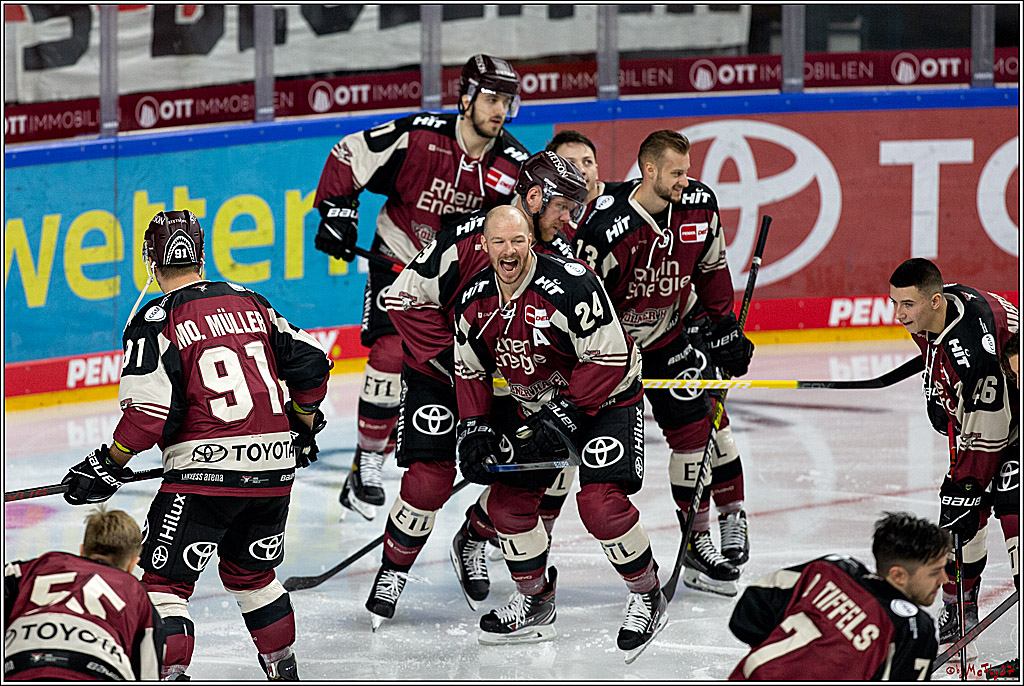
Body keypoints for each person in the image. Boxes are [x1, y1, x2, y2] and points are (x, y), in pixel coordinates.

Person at [60, 210, 332, 681]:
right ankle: (284, 671)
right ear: (202, 255)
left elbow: (146, 418)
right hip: (274, 473)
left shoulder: (156, 318)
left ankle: (170, 676)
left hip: (203, 476)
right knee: (252, 576)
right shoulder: (252, 300)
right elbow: (312, 365)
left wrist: (105, 464)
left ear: (150, 259)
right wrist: (302, 425)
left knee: (165, 583)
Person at [369, 151, 588, 625]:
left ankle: (471, 538)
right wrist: (458, 358)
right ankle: (392, 572)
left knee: (524, 480)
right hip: (439, 377)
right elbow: (400, 296)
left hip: (509, 390)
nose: (569, 219)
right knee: (429, 480)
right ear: (533, 198)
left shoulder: (560, 255)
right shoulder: (469, 238)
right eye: (562, 207)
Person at [313, 54, 529, 520]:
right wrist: (336, 212)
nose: (499, 109)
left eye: (506, 101)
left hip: (459, 283)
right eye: (491, 98)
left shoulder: (513, 164)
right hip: (398, 264)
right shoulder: (420, 133)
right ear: (466, 97)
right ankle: (367, 461)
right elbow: (350, 153)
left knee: (450, 371)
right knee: (390, 355)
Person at [452, 206, 667, 660]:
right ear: (483, 246)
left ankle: (648, 594)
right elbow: (468, 369)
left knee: (599, 505)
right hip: (538, 409)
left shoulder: (571, 283)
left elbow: (608, 358)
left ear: (531, 240)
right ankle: (535, 603)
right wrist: (473, 428)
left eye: (517, 240)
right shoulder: (472, 300)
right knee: (509, 508)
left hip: (607, 400)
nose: (509, 251)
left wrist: (563, 413)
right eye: (499, 242)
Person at [572, 129, 755, 597]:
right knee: (569, 458)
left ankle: (697, 545)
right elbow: (579, 298)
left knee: (699, 435)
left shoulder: (698, 205)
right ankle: (493, 538)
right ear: (648, 170)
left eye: (687, 170)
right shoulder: (603, 227)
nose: (685, 181)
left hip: (669, 339)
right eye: (676, 172)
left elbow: (712, 270)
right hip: (611, 353)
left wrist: (725, 327)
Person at [888, 258, 1019, 661]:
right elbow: (942, 361)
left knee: (1007, 512)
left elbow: (990, 424)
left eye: (907, 305)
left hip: (1007, 422)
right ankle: (958, 609)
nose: (899, 315)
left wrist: (967, 486)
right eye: (895, 303)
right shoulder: (936, 315)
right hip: (991, 412)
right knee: (966, 518)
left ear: (934, 301)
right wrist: (936, 393)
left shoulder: (973, 351)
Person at [728, 512, 949, 680]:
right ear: (898, 575)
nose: (944, 579)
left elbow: (747, 614)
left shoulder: (830, 569)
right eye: (934, 572)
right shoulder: (913, 627)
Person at [4, 507, 163, 680]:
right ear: (133, 564)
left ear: (81, 551)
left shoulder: (36, 566)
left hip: (21, 663)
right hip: (98, 668)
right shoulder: (134, 591)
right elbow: (148, 674)